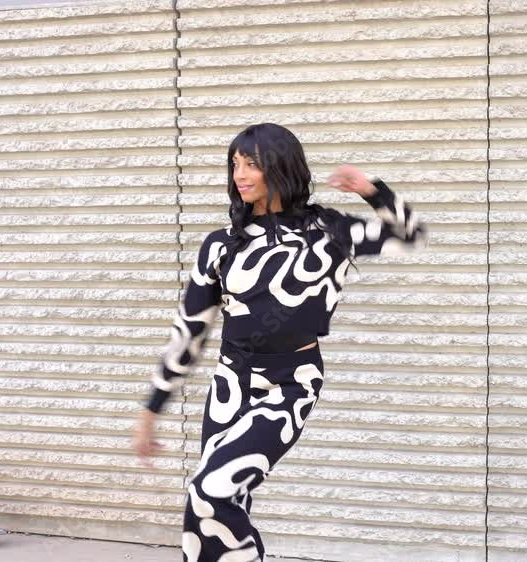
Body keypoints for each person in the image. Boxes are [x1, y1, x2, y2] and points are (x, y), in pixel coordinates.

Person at [131, 123, 428, 562]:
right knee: (217, 502)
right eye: (235, 164)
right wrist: (150, 411)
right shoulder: (220, 245)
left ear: (279, 167)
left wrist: (370, 189)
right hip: (231, 383)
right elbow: (189, 332)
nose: (240, 174)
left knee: (210, 491)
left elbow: (411, 234)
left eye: (251, 164)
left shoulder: (328, 231)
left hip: (290, 383)